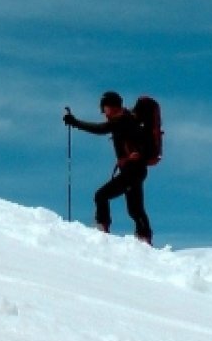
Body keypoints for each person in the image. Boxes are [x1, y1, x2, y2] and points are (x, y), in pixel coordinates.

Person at [64, 91, 154, 245]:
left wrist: (75, 122)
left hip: (132, 170)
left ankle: (102, 230)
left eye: (104, 107)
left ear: (110, 107)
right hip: (135, 170)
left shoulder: (122, 120)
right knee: (135, 209)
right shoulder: (129, 119)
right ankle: (144, 238)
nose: (103, 112)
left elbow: (100, 129)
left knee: (102, 196)